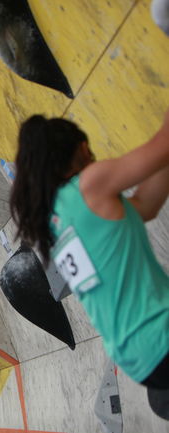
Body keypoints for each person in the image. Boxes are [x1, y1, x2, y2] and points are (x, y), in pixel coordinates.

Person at [10, 112, 169, 389]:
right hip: (160, 334)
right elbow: (164, 144)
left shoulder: (56, 220)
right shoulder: (89, 184)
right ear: (82, 148)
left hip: (138, 359)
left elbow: (146, 205)